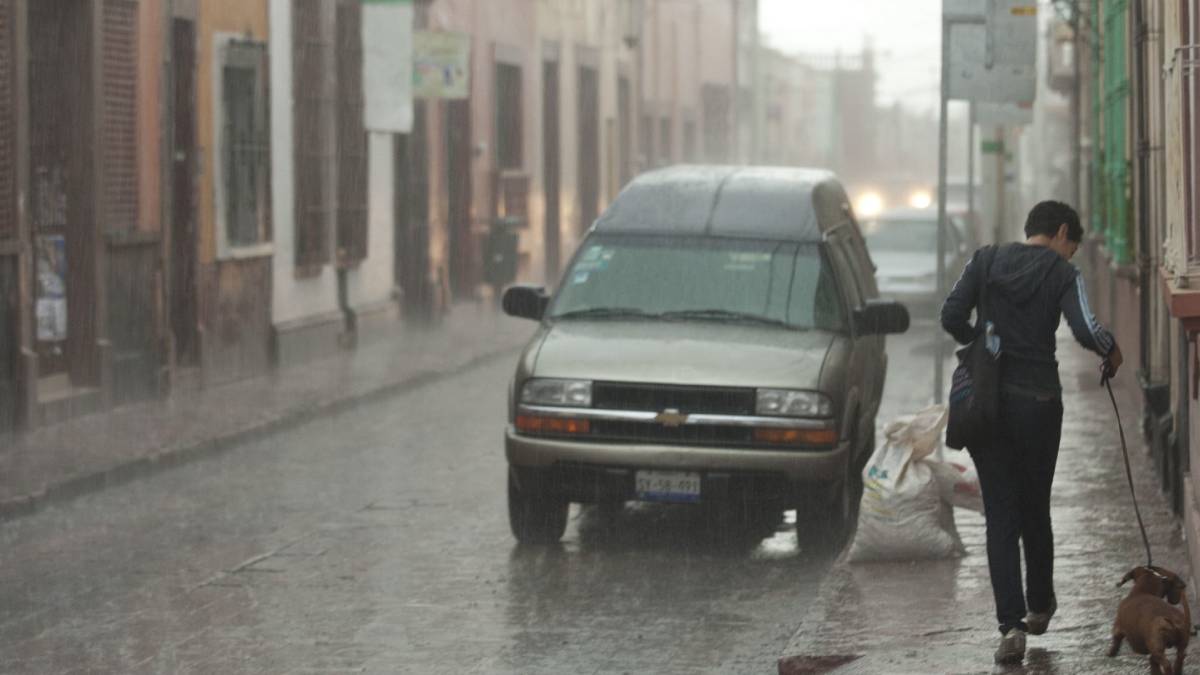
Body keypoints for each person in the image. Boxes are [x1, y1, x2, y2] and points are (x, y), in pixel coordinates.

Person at [941, 200, 1123, 665]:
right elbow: (1085, 327)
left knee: (999, 512)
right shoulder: (1063, 273)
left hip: (987, 404)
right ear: (1062, 232)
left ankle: (1011, 627)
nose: (1068, 254)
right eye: (1071, 246)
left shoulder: (985, 260)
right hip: (1038, 404)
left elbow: (950, 315)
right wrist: (1111, 350)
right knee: (1034, 505)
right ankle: (1040, 604)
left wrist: (980, 341)